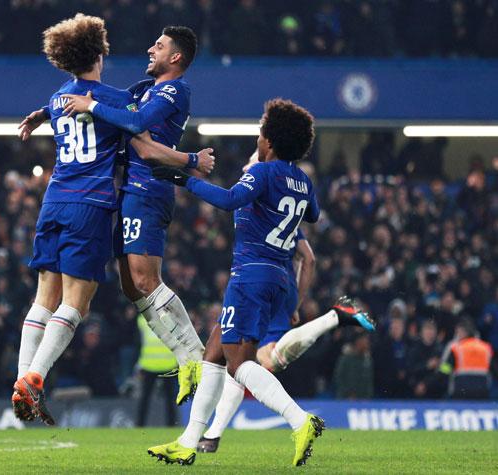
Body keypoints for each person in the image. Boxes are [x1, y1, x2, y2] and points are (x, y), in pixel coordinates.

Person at [12, 14, 213, 425]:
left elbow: (120, 119)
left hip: (54, 201)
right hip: (92, 203)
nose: (148, 48)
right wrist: (193, 160)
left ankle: (22, 380)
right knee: (77, 302)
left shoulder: (58, 99)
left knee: (43, 299)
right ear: (99, 52)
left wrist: (43, 115)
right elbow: (136, 126)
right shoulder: (116, 100)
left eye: (157, 45)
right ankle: (32, 379)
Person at [147, 98, 363, 467]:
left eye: (261, 133)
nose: (258, 138)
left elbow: (231, 200)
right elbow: (313, 213)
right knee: (213, 353)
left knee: (238, 363)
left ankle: (300, 420)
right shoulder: (304, 180)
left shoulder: (263, 173)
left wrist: (186, 179)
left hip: (251, 275)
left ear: (270, 142)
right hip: (279, 278)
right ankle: (189, 441)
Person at [197, 227, 375, 453]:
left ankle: (335, 316)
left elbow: (229, 200)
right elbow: (309, 259)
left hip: (256, 284)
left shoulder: (257, 209)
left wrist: (192, 188)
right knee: (239, 364)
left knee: (260, 360)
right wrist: (297, 303)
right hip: (283, 284)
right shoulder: (288, 215)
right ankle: (212, 436)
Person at [136, 315, 178, 427]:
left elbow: (138, 343)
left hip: (151, 364)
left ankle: (139, 425)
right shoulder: (171, 318)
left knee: (146, 399)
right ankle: (172, 426)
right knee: (169, 400)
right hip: (164, 364)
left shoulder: (142, 319)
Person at [439, 319, 494, 399]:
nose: (457, 335)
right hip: (482, 390)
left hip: (461, 389)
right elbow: (494, 369)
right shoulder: (486, 347)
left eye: (458, 332)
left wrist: (439, 371)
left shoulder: (457, 348)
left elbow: (445, 370)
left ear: (465, 332)